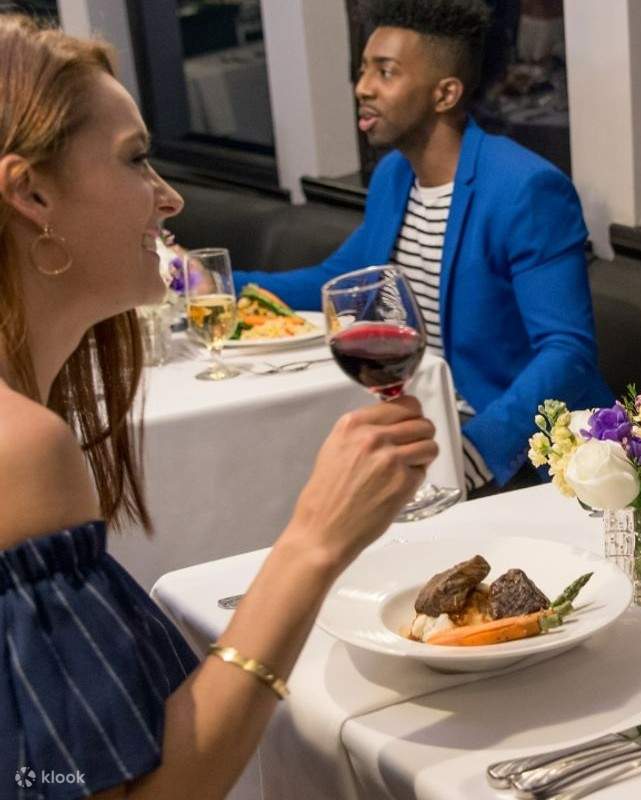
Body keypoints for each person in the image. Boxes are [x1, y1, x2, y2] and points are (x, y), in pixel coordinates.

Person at [0, 15, 438, 797]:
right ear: (30, 192)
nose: (167, 197)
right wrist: (314, 541)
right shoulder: (20, 450)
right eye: (136, 160)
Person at [234, 0, 613, 494]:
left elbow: (568, 352)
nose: (362, 88)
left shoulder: (525, 188)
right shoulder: (396, 176)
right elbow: (340, 279)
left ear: (445, 93)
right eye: (363, 70)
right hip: (425, 426)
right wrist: (214, 286)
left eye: (385, 73)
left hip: (520, 454)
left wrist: (476, 452)